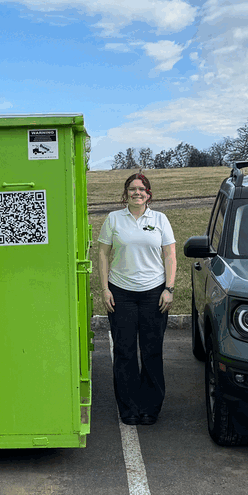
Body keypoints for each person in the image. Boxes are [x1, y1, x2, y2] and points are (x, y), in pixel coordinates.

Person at [95, 173, 177, 426]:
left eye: (142, 189)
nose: (137, 193)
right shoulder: (113, 219)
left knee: (152, 351)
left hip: (154, 293)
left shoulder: (160, 219)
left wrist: (169, 288)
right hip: (121, 293)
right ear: (126, 193)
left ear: (149, 194)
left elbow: (170, 256)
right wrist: (105, 289)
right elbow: (103, 254)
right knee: (125, 351)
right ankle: (129, 408)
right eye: (132, 189)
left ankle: (150, 408)